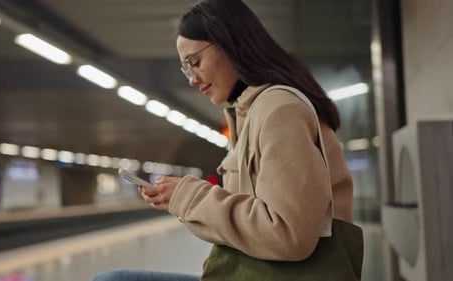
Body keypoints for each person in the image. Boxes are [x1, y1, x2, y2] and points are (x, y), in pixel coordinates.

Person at [92, 0, 357, 280]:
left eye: (195, 62)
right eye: (185, 69)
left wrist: (189, 196)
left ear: (231, 45)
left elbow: (289, 234)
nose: (192, 79)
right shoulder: (249, 112)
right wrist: (180, 200)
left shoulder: (280, 110)